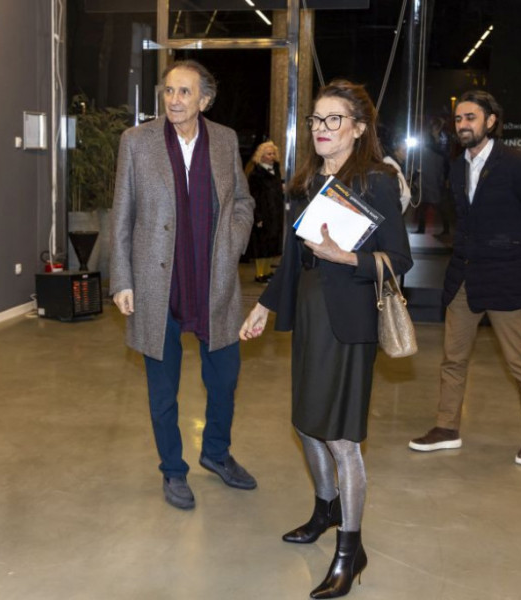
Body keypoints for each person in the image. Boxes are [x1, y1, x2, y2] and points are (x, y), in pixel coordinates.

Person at [241, 80, 412, 598]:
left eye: (334, 119)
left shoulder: (377, 181)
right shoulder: (307, 181)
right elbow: (293, 259)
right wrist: (264, 306)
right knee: (307, 424)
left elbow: (400, 259)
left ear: (358, 129)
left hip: (351, 321)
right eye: (317, 119)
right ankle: (324, 511)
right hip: (311, 315)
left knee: (341, 439)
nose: (321, 128)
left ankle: (349, 550)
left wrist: (347, 257)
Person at [109, 60, 256, 510]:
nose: (174, 100)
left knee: (224, 379)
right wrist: (122, 280)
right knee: (163, 389)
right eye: (169, 91)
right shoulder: (137, 142)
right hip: (158, 285)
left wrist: (233, 240)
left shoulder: (225, 140)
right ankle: (173, 469)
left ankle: (216, 453)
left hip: (214, 283)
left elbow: (243, 201)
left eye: (184, 92)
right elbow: (122, 214)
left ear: (204, 100)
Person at [408, 90, 521, 467]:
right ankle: (446, 427)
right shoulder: (458, 167)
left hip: (507, 277)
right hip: (464, 276)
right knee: (453, 358)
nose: (463, 125)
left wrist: (519, 260)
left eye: (470, 118)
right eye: (459, 119)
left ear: (491, 121)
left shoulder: (520, 165)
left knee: (519, 362)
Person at [244, 140, 285, 282]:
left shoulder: (276, 170)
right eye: (268, 154)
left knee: (272, 244)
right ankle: (260, 274)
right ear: (261, 156)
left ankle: (267, 271)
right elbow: (252, 197)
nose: (272, 156)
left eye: (273, 153)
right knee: (262, 246)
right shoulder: (256, 174)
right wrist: (257, 217)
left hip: (275, 213)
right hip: (262, 213)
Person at [382, 136, 411, 214]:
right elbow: (406, 195)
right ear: (395, 151)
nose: (406, 153)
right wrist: (398, 213)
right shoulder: (391, 165)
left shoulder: (389, 162)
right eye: (404, 150)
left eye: (407, 150)